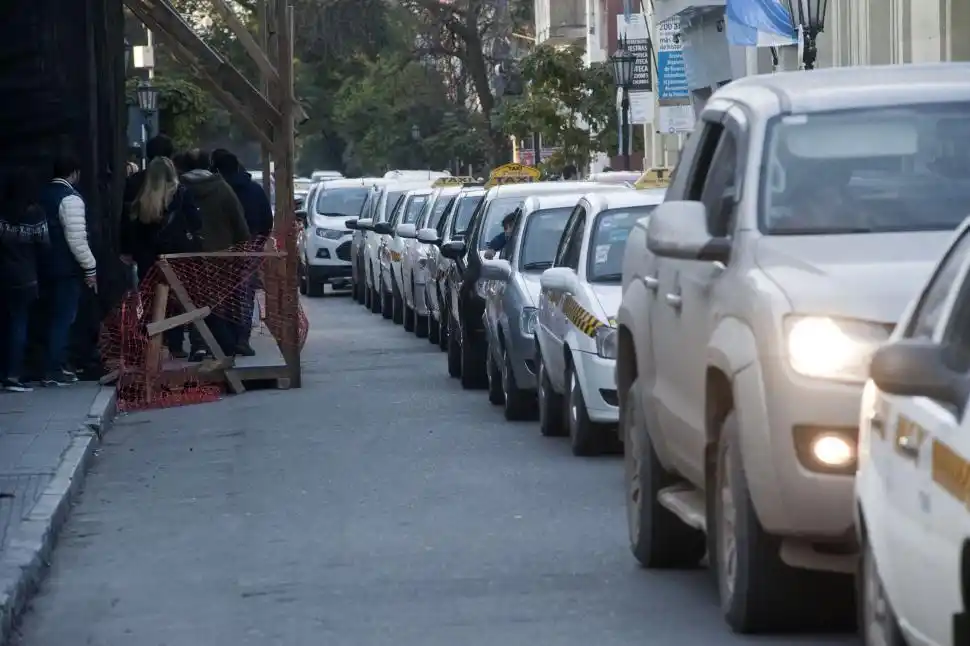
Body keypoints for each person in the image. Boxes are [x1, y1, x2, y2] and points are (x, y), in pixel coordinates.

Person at [178, 149, 250, 360]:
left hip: (189, 255)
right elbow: (239, 224)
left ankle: (199, 344)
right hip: (222, 257)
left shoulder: (180, 189)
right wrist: (240, 248)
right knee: (220, 301)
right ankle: (221, 346)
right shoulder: (222, 189)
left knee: (194, 300)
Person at [38, 152, 96, 387]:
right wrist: (90, 267)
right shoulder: (70, 198)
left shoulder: (42, 195)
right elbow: (76, 238)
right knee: (65, 317)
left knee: (48, 317)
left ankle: (46, 365)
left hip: (43, 265)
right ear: (74, 173)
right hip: (65, 267)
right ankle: (56, 367)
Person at [210, 149, 273, 356]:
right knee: (244, 293)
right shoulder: (254, 190)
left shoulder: (214, 191)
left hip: (219, 250)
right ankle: (242, 338)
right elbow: (266, 221)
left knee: (218, 294)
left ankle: (224, 339)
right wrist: (258, 244)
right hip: (249, 249)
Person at [0, 171, 49, 391]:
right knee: (20, 324)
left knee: (6, 324)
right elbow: (44, 244)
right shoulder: (35, 213)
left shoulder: (2, 213)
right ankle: (13, 374)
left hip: (4, 275)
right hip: (26, 277)